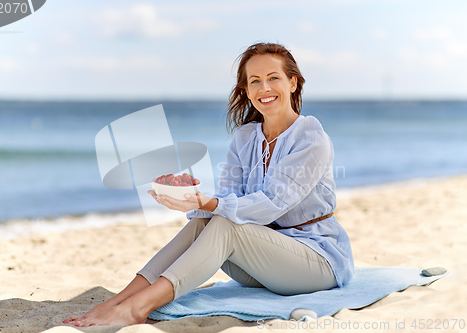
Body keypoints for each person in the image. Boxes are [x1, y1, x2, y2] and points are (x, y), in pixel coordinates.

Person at [64, 42, 354, 327]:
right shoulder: (245, 137)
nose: (264, 88)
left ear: (293, 83)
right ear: (246, 91)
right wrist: (190, 199)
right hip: (264, 262)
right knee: (209, 222)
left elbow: (271, 203)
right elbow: (228, 199)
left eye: (273, 78)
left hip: (317, 261)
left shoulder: (310, 137)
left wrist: (207, 202)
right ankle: (120, 300)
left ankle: (138, 307)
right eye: (255, 81)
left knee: (225, 222)